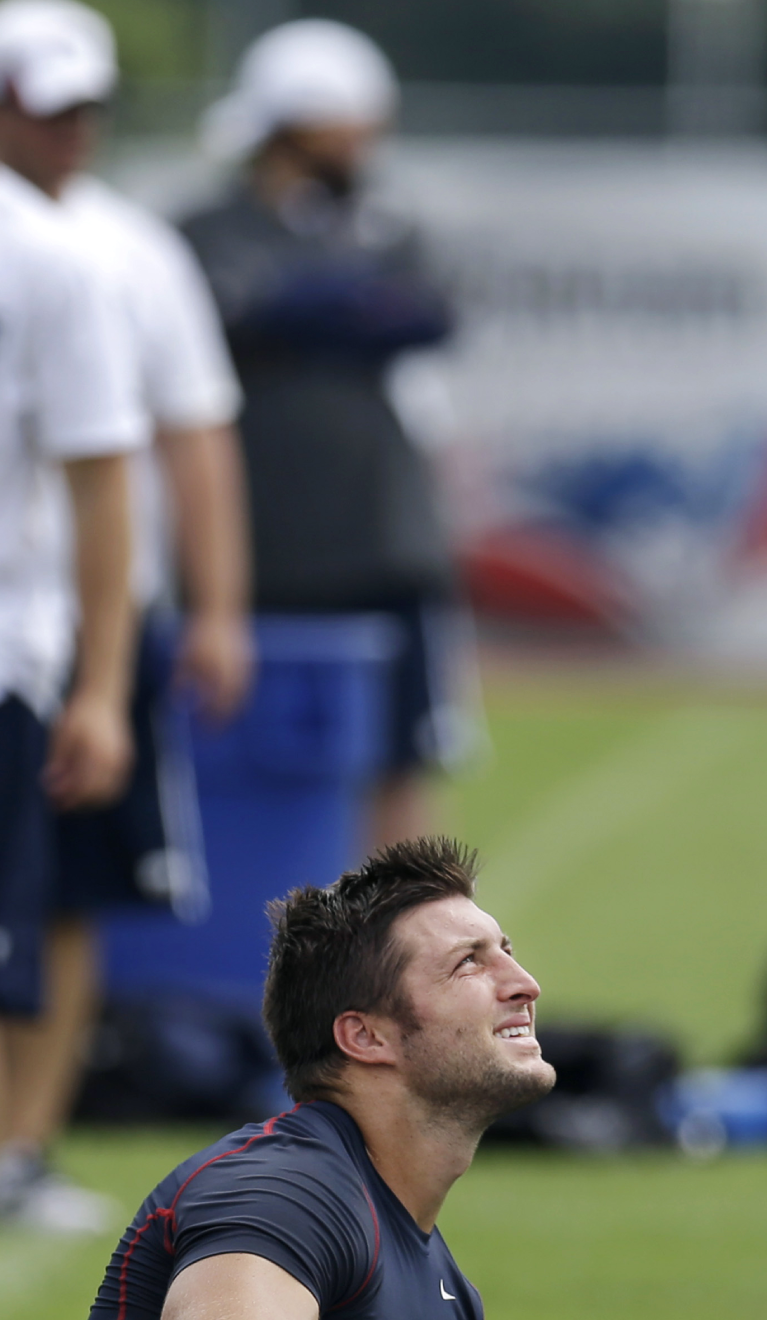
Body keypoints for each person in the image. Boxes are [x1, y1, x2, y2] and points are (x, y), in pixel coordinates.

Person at [0, 0, 253, 1233]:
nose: (73, 129)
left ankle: (22, 1147)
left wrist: (207, 613)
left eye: (87, 107)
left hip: (46, 634)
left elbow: (163, 451)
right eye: (46, 106)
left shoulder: (103, 256)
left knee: (61, 895)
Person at [181, 19, 476, 851]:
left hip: (381, 540)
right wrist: (334, 304)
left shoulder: (389, 225)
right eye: (354, 126)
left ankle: (410, 933)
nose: (368, 145)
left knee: (402, 763)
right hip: (256, 548)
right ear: (300, 125)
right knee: (247, 767)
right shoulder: (208, 228)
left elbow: (426, 313)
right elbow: (231, 309)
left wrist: (293, 307)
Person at [90, 837, 554, 1318]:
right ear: (366, 1036)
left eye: (506, 952)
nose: (526, 984)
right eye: (468, 963)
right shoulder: (281, 1196)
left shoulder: (449, 1288)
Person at [0, 5, 146, 1223]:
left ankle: (16, 1153)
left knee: (31, 926)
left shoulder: (51, 260)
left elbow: (106, 482)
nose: (71, 131)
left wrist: (100, 686)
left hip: (7, 657)